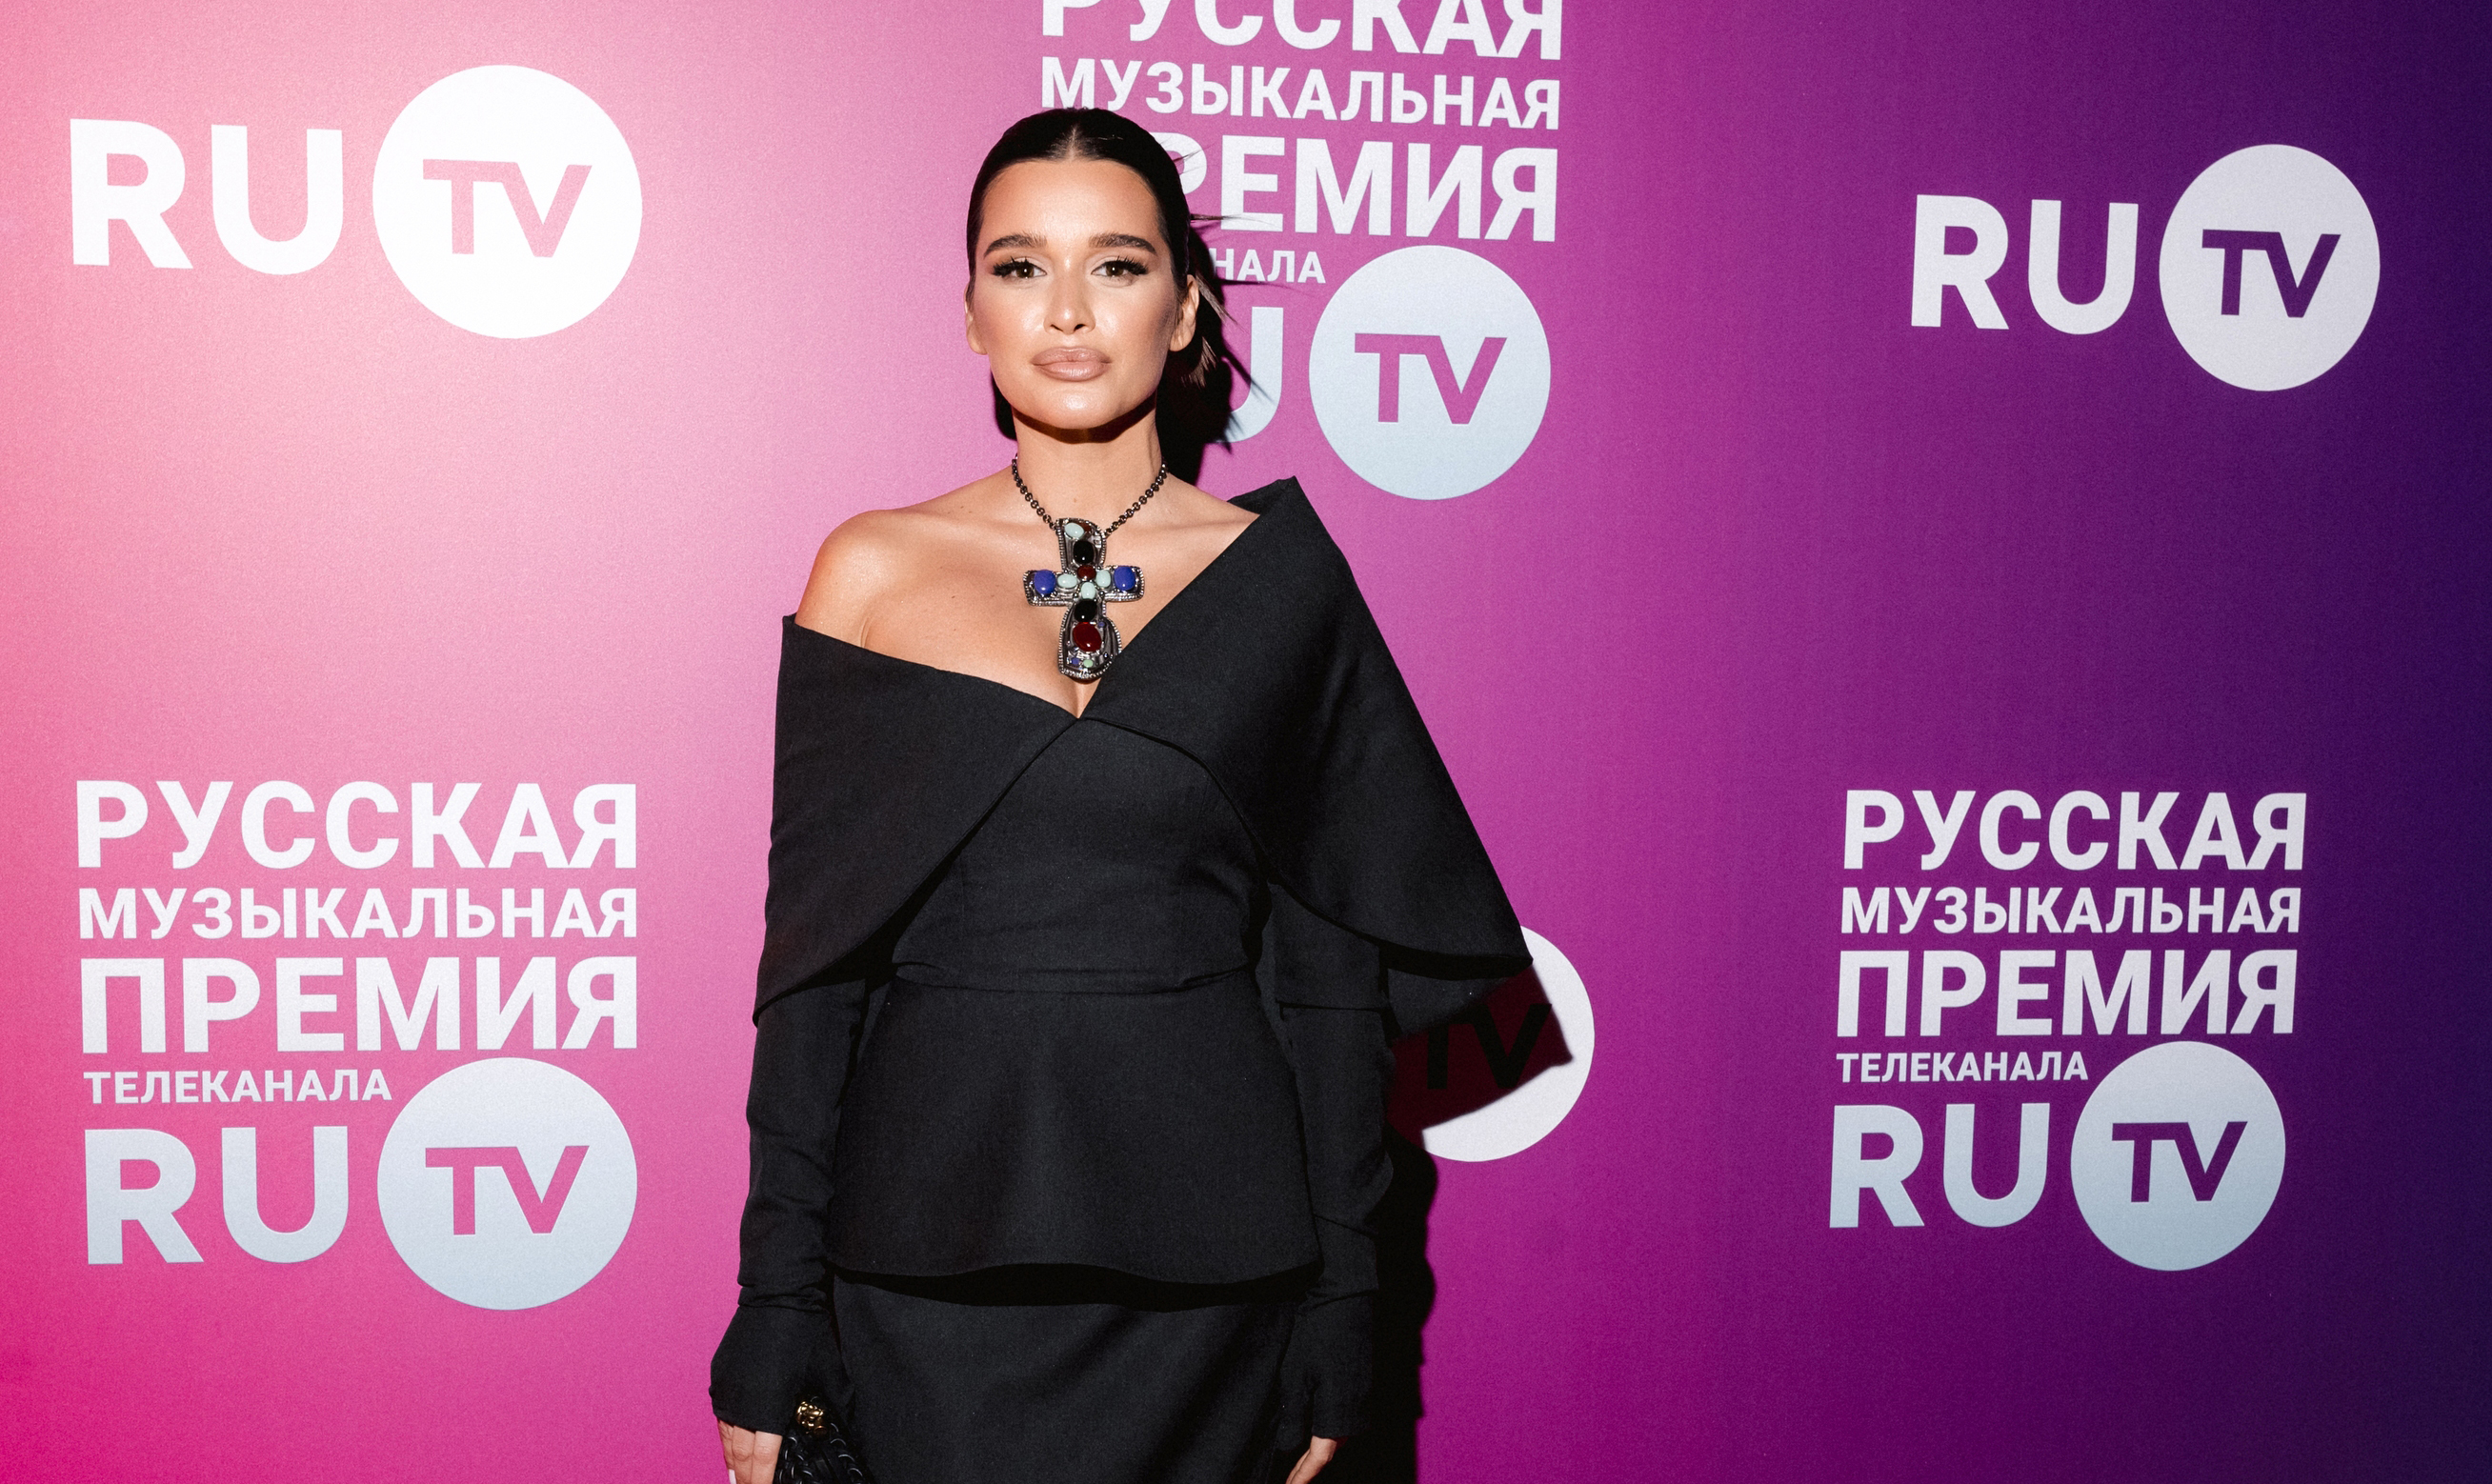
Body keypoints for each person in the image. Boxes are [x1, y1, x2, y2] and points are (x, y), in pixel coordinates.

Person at [710, 108, 1527, 1484]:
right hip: (920, 1273)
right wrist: (775, 1299)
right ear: (971, 311)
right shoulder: (872, 572)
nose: (1069, 310)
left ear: (1185, 305)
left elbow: (1327, 988)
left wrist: (1347, 1302)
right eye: (1021, 266)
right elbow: (813, 983)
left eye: (1119, 265)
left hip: (1213, 1287)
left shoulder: (1279, 586)